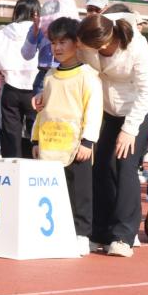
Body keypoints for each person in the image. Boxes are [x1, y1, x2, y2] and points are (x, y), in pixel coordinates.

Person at [77, 13, 148, 257]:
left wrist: (129, 129)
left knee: (125, 163)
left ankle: (124, 235)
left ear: (101, 44)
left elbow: (147, 90)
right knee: (100, 165)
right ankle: (100, 231)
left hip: (135, 108)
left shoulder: (136, 45)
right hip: (105, 107)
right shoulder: (88, 39)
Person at [30, 17, 102, 249]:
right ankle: (57, 230)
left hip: (76, 145)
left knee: (80, 192)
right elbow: (43, 110)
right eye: (53, 43)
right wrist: (35, 139)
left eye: (63, 42)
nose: (57, 48)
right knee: (55, 190)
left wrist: (88, 141)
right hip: (50, 144)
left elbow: (93, 109)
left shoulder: (87, 75)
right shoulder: (50, 75)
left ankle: (82, 234)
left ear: (77, 43)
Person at [0, 0, 41, 158]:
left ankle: (12, 167)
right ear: (36, 12)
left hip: (10, 87)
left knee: (10, 134)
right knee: (36, 133)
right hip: (36, 88)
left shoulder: (2, 32)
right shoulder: (40, 31)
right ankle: (34, 167)